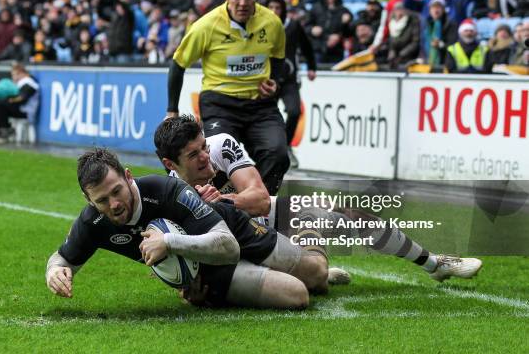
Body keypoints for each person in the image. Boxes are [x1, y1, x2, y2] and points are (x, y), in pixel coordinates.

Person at [154, 115, 484, 283]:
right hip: (240, 253)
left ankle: (435, 264)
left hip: (269, 220)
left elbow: (260, 198)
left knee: (351, 216)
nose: (204, 157)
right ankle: (314, 269)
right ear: (171, 165)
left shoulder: (222, 145)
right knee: (309, 281)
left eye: (202, 147)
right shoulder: (170, 196)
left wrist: (224, 204)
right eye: (193, 155)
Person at [46, 147, 330, 309]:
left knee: (317, 275)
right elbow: (62, 259)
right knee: (298, 296)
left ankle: (305, 219)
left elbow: (229, 247)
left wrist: (168, 243)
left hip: (229, 230)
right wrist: (55, 272)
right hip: (207, 269)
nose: (114, 204)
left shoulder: (166, 190)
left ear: (128, 176)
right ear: (88, 200)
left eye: (117, 191)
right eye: (102, 200)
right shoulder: (93, 221)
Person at [166, 0, 289, 196]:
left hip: (260, 105)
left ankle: (260, 208)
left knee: (278, 154)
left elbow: (279, 61)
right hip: (219, 104)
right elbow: (178, 64)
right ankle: (208, 212)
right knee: (213, 159)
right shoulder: (205, 26)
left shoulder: (273, 23)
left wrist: (276, 82)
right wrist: (172, 110)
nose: (243, 3)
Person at [264, 0, 316, 169]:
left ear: (284, 10)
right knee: (267, 116)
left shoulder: (292, 26)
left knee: (294, 111)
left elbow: (307, 46)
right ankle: (270, 151)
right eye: (271, 7)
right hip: (267, 80)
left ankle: (286, 146)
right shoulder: (260, 27)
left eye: (278, 8)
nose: (274, 11)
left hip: (289, 80)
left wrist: (312, 67)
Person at [0, 62, 39, 143]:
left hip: (26, 112)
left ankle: (5, 130)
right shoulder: (23, 83)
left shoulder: (29, 83)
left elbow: (22, 99)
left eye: (14, 75)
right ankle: (4, 129)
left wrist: (10, 100)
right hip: (20, 109)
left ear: (20, 73)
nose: (12, 78)